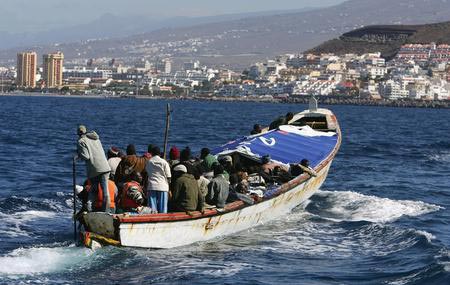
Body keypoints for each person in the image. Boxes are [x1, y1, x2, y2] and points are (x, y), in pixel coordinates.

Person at [76, 125, 113, 213]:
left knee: (93, 191)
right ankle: (106, 211)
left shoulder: (81, 141)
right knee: (105, 192)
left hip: (94, 169)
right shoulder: (95, 138)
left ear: (78, 133)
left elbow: (86, 156)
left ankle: (89, 210)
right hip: (105, 166)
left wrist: (79, 153)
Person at [146, 146, 171, 213]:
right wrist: (169, 189)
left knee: (152, 210)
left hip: (152, 186)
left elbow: (147, 172)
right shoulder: (164, 162)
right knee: (163, 209)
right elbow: (168, 177)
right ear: (159, 153)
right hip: (163, 187)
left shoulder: (149, 162)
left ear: (152, 153)